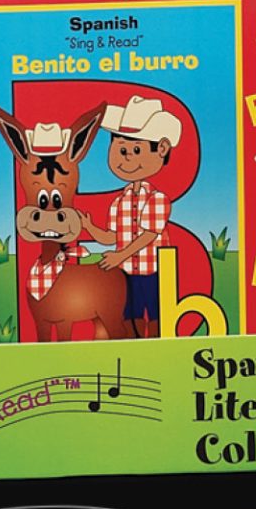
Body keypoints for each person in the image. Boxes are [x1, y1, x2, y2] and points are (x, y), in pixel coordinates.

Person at [96, 96, 182, 337]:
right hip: (126, 274)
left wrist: (119, 256)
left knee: (156, 318)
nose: (127, 158)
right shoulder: (119, 202)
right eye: (121, 149)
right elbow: (111, 236)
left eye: (136, 150)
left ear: (161, 149)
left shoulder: (157, 199)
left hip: (152, 271)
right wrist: (88, 227)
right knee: (128, 318)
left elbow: (149, 235)